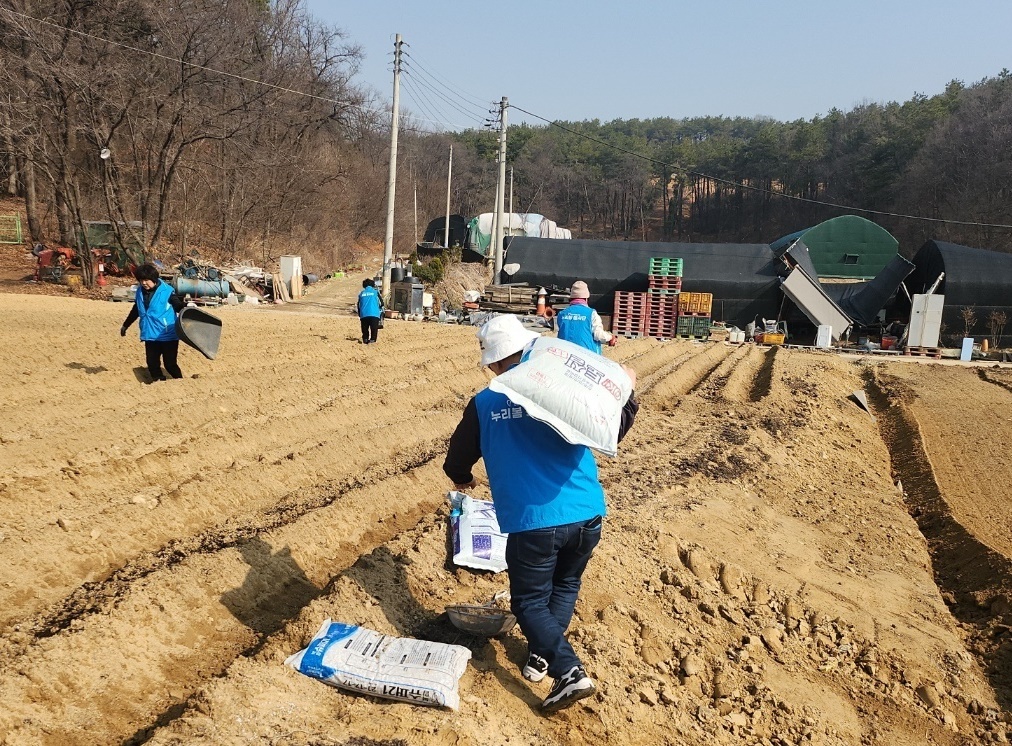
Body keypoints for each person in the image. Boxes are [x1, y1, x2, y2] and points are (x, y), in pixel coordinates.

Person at [443, 314, 638, 713]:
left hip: (534, 522)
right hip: (587, 514)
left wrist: (462, 477)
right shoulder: (563, 391)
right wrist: (629, 395)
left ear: (496, 363)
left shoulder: (485, 402)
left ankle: (568, 672)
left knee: (529, 602)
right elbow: (611, 430)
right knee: (565, 585)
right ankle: (541, 655)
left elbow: (458, 457)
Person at [121, 263, 185, 381]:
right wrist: (126, 325)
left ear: (154, 279)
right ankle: (159, 383)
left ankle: (180, 382)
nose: (144, 283)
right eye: (141, 280)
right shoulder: (140, 291)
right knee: (152, 364)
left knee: (170, 364)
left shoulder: (167, 291)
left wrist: (185, 308)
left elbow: (177, 305)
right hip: (150, 334)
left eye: (146, 280)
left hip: (167, 335)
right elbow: (136, 309)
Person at [556, 280, 615, 353]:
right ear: (586, 298)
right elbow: (598, 335)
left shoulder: (562, 314)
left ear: (571, 298)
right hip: (586, 357)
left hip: (565, 355)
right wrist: (610, 337)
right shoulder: (591, 313)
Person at [356, 278, 383, 344]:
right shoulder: (375, 292)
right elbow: (381, 303)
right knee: (374, 329)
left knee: (365, 329)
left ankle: (365, 339)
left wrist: (360, 314)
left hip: (364, 314)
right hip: (374, 314)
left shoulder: (361, 293)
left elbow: (358, 305)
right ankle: (372, 340)